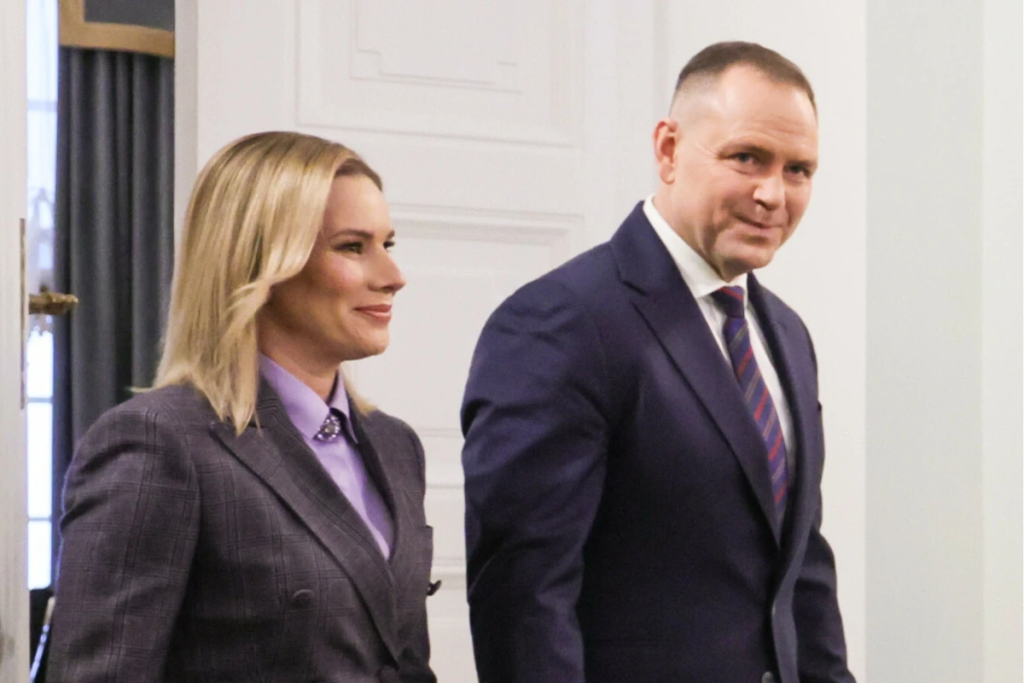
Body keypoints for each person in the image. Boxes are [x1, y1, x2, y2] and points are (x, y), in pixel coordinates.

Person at [461, 42, 856, 683]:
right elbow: (524, 599)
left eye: (798, 170)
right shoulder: (561, 321)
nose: (772, 194)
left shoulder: (786, 332)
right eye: (747, 157)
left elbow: (802, 568)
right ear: (669, 150)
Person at [48, 131, 437, 682]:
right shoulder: (158, 442)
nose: (393, 277)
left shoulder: (396, 446)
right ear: (260, 262)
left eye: (387, 245)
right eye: (353, 247)